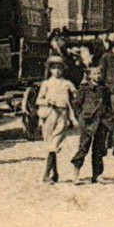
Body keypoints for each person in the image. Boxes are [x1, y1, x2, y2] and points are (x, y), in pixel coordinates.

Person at [35, 56, 78, 184]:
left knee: (54, 145)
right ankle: (55, 173)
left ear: (63, 69)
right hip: (49, 114)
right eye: (54, 68)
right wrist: (47, 101)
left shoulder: (67, 83)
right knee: (51, 146)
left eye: (59, 68)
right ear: (50, 70)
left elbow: (76, 97)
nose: (57, 71)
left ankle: (46, 175)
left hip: (62, 115)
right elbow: (38, 100)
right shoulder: (46, 84)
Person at [72, 64, 114, 185]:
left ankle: (97, 175)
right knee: (83, 147)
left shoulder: (105, 89)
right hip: (88, 122)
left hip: (101, 122)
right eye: (94, 73)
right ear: (89, 76)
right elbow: (77, 105)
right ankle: (76, 174)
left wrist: (109, 120)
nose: (97, 76)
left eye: (99, 73)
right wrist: (81, 118)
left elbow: (108, 107)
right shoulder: (84, 89)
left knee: (99, 149)